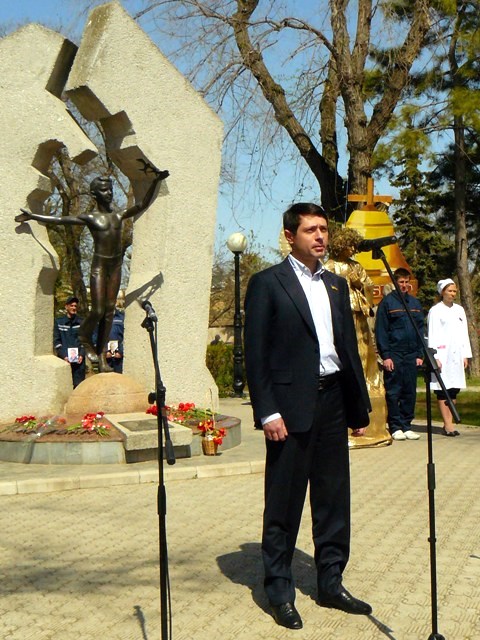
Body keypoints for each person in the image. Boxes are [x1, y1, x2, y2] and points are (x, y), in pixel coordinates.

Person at [244, 202, 372, 630]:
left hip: (333, 400)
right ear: (290, 236)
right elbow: (256, 354)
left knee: (333, 499)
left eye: (324, 229)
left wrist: (357, 405)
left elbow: (347, 348)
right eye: (311, 230)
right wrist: (268, 411)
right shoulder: (267, 283)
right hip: (289, 407)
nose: (320, 236)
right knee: (284, 501)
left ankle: (331, 582)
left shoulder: (336, 284)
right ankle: (279, 590)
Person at [15, 160, 168, 373]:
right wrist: (33, 216)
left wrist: (156, 182)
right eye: (104, 190)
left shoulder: (118, 216)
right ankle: (83, 335)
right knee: (97, 310)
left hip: (115, 266)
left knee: (109, 311)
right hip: (99, 267)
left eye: (110, 189)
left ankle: (102, 357)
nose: (109, 193)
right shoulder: (90, 217)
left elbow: (141, 205)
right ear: (95, 194)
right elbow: (60, 219)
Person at [375, 268, 424, 441]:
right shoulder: (387, 303)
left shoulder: (415, 304)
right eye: (401, 282)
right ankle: (395, 426)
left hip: (411, 354)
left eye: (406, 282)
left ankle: (406, 425)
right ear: (395, 282)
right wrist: (386, 356)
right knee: (394, 391)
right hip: (394, 353)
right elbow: (381, 330)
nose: (404, 285)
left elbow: (420, 330)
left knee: (409, 391)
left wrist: (420, 354)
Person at [427, 278, 472, 436]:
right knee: (442, 389)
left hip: (456, 354)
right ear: (442, 292)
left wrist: (465, 355)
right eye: (449, 291)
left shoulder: (459, 310)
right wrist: (435, 357)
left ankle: (450, 421)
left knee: (453, 389)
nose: (452, 294)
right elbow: (432, 334)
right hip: (442, 355)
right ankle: (447, 424)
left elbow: (464, 333)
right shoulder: (435, 311)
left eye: (454, 291)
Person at [53, 296, 85, 388]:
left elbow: (84, 341)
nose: (74, 308)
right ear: (66, 307)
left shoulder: (81, 322)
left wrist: (82, 355)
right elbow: (57, 341)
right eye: (71, 305)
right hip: (64, 361)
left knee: (79, 388)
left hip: (79, 363)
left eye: (75, 306)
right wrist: (64, 356)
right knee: (64, 387)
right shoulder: (59, 322)